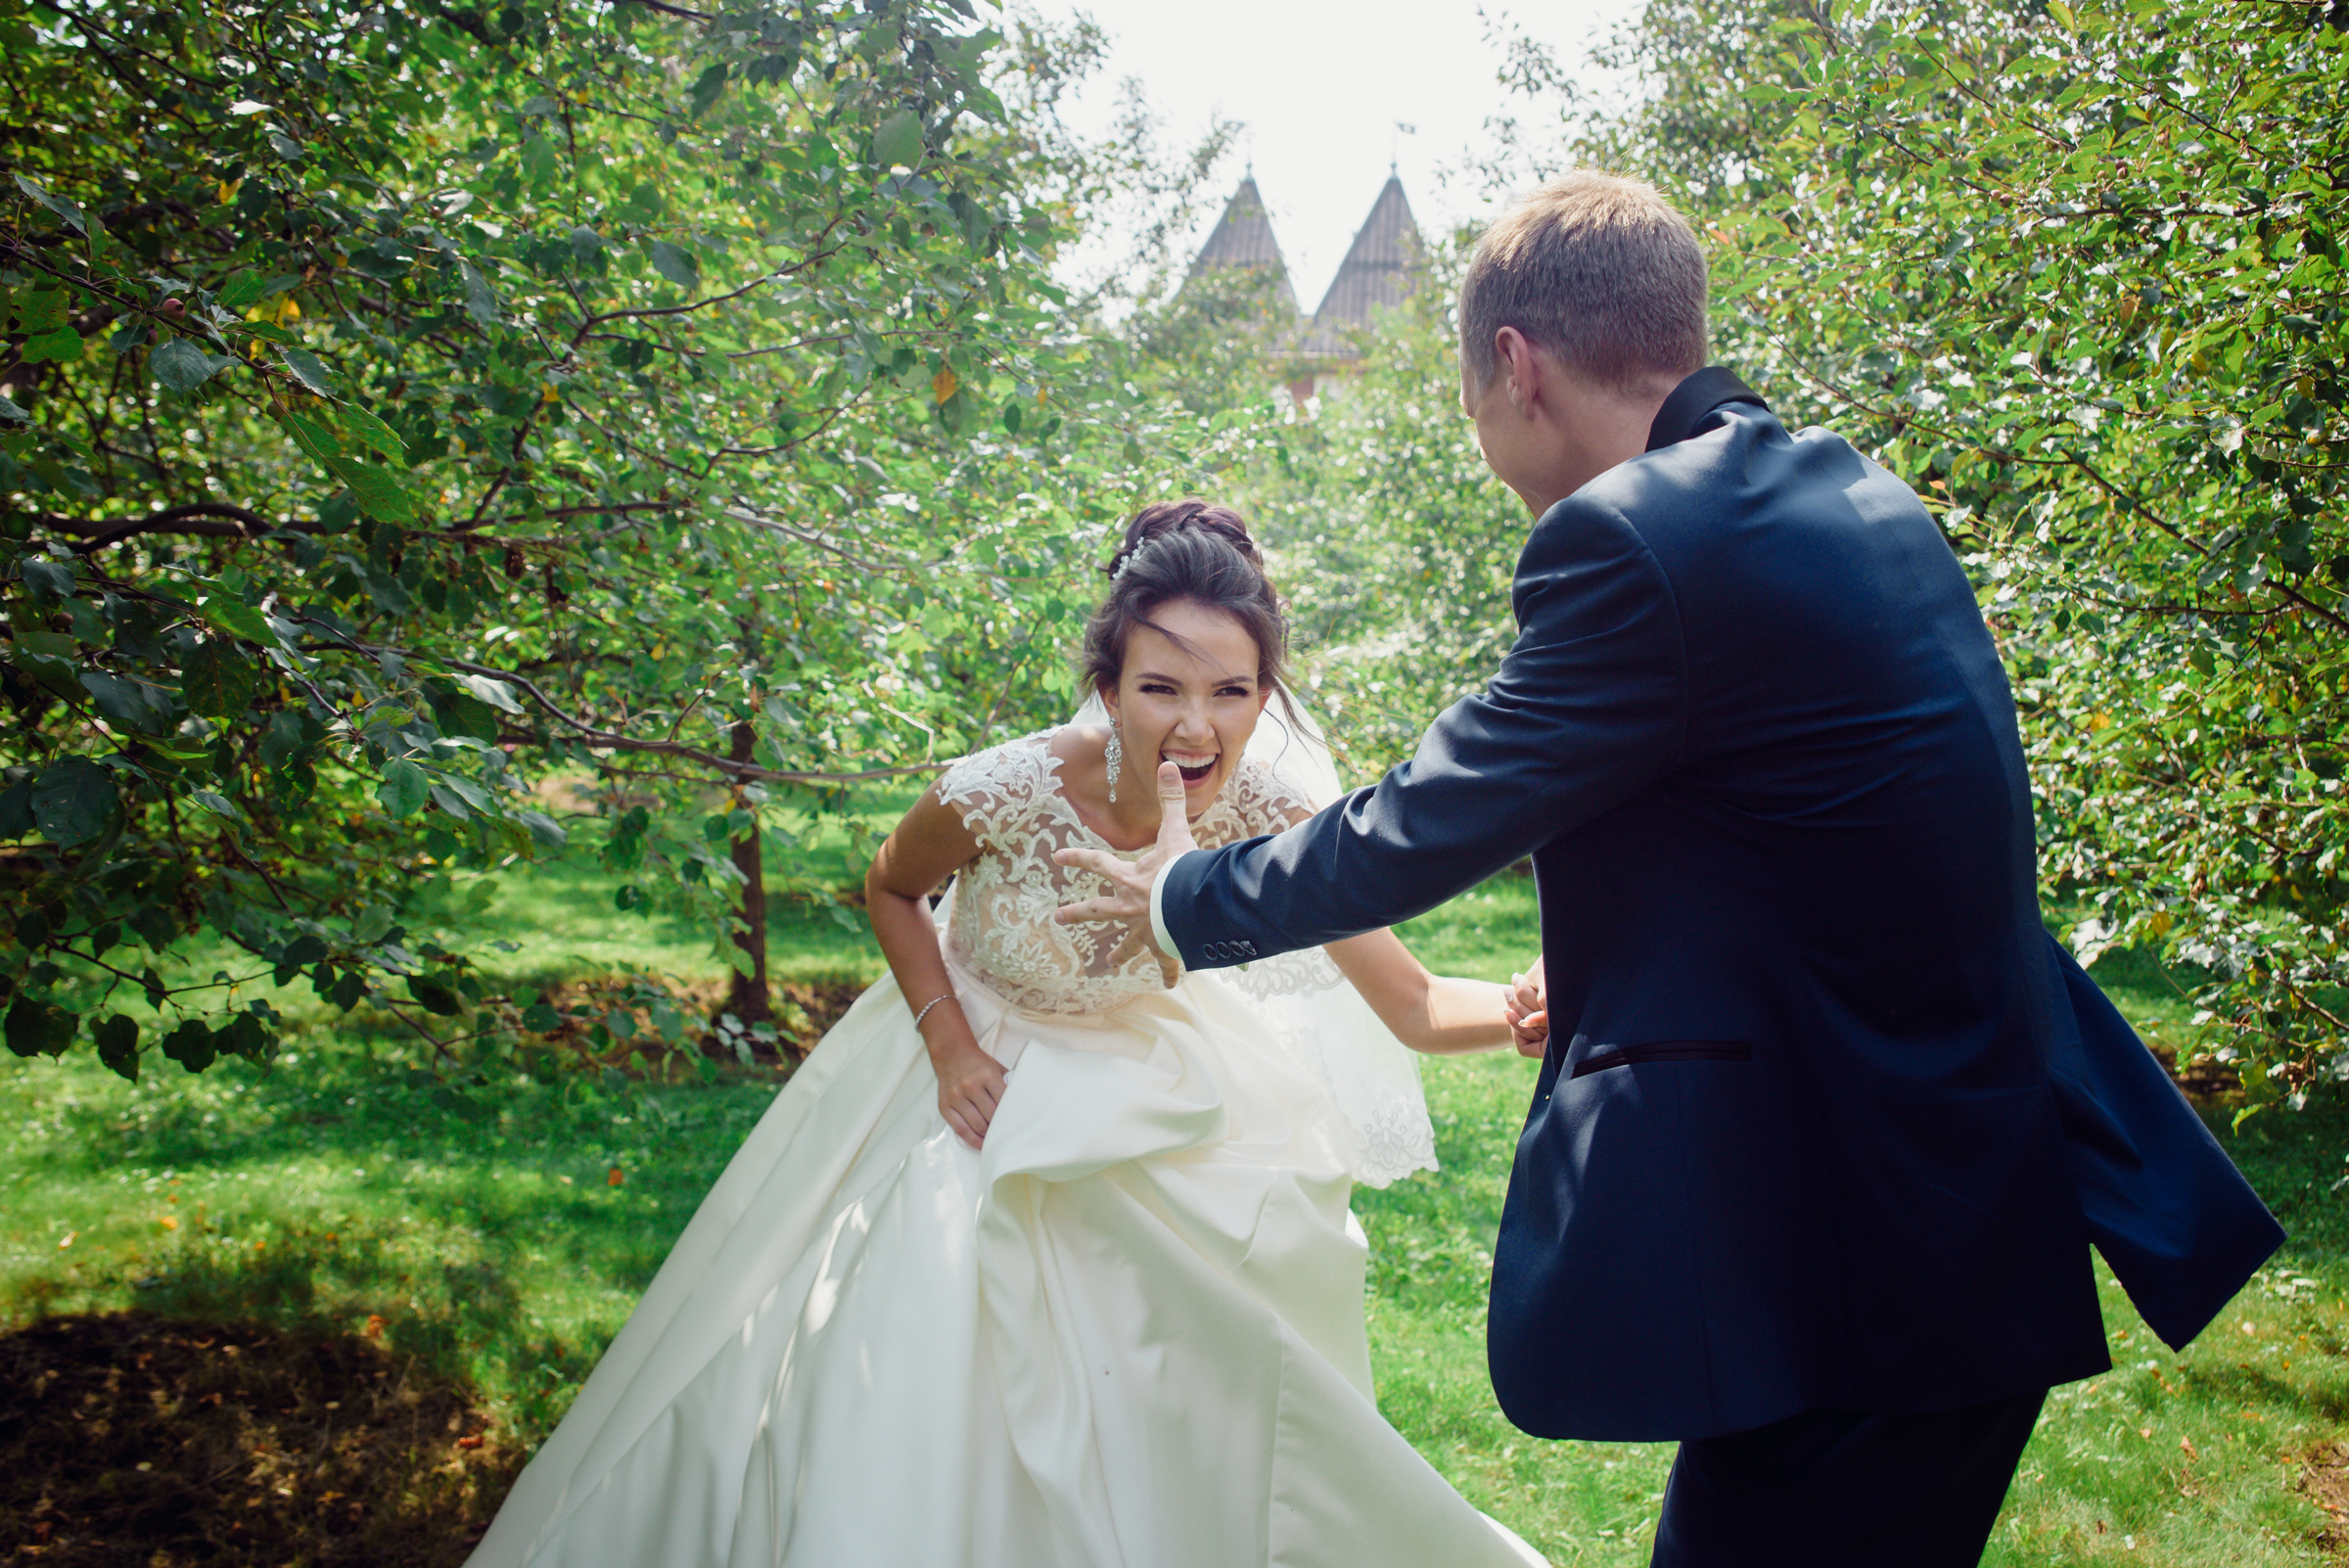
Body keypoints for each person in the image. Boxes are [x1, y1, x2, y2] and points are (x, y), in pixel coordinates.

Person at [1054, 172, 2284, 1567]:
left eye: (1466, 400)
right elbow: (1807, 839)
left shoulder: (1635, 539)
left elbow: (1426, 819)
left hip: (1855, 1247)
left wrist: (1181, 899)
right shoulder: (1856, 491)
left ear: (1516, 366)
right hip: (1945, 1200)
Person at [463, 500, 1548, 1568]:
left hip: (1151, 1084)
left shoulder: (1271, 813)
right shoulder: (1006, 787)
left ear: (1267, 696)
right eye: (1161, 689)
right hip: (976, 1067)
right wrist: (949, 1046)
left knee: (1181, 1372)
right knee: (930, 1352)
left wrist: (1522, 1015)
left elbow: (1410, 1003)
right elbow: (891, 886)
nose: (1197, 728)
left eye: (1232, 691)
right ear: (1108, 688)